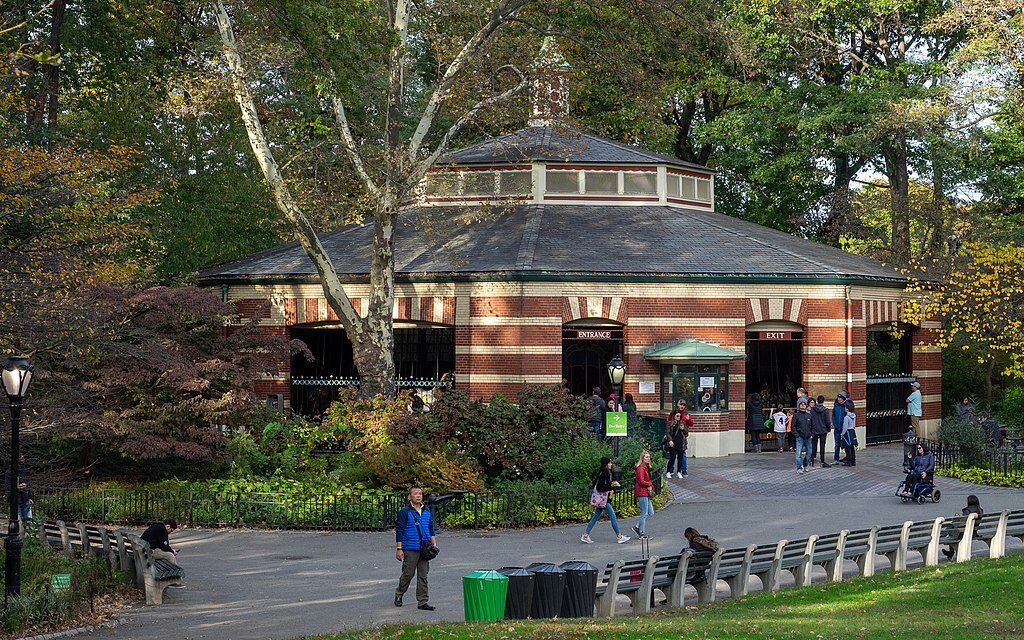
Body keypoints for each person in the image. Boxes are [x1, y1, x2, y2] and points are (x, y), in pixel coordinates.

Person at [394, 486, 438, 610]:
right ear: (410, 497)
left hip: (425, 547)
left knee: (423, 575)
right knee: (408, 573)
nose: (418, 496)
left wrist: (433, 541)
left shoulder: (426, 511)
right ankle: (399, 593)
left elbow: (430, 527)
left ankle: (423, 601)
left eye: (420, 493)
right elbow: (400, 530)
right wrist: (399, 548)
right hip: (410, 547)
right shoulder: (405, 512)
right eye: (415, 494)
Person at [580, 457, 630, 544]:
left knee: (595, 517)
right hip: (604, 500)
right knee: (613, 516)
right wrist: (612, 486)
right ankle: (619, 536)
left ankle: (585, 535)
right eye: (609, 463)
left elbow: (598, 484)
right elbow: (600, 487)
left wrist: (611, 486)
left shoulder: (603, 472)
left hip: (601, 499)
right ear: (606, 464)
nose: (611, 464)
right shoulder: (604, 473)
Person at [943, 495, 983, 560]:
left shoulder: (967, 511)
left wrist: (957, 519)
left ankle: (943, 537)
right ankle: (950, 553)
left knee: (953, 526)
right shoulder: (980, 510)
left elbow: (962, 524)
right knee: (953, 527)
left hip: (965, 533)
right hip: (973, 533)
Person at [664, 406, 692, 478]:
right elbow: (667, 432)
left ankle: (679, 471)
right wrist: (670, 440)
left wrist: (683, 429)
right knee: (672, 458)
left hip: (681, 443)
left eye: (679, 416)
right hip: (673, 443)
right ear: (674, 416)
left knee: (680, 458)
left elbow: (686, 432)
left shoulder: (682, 423)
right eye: (677, 416)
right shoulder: (670, 423)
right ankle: (668, 471)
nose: (678, 417)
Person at [632, 451, 654, 539]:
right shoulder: (641, 468)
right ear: (642, 458)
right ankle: (642, 532)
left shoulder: (645, 467)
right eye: (646, 457)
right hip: (642, 492)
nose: (648, 459)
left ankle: (637, 527)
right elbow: (641, 481)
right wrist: (649, 485)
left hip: (645, 492)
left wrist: (650, 485)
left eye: (649, 457)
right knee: (644, 513)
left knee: (650, 512)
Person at [4, 454, 32, 522]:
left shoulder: (25, 471)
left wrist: (30, 497)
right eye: (21, 459)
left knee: (26, 520)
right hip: (15, 498)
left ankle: (25, 531)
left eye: (23, 459)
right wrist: (16, 487)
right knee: (18, 519)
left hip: (25, 497)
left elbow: (29, 483)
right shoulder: (10, 472)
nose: (22, 461)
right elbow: (7, 486)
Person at [809, 396, 831, 468]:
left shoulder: (812, 410)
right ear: (823, 401)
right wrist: (828, 429)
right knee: (822, 446)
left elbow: (811, 420)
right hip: (823, 430)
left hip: (814, 430)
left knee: (813, 445)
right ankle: (822, 461)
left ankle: (812, 460)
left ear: (817, 401)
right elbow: (827, 421)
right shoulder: (825, 410)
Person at [793, 400, 814, 473]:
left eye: (804, 404)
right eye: (801, 404)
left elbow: (813, 426)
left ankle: (805, 465)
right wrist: (797, 435)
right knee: (798, 453)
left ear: (806, 406)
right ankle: (799, 468)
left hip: (808, 437)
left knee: (809, 453)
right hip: (800, 437)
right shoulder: (796, 415)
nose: (802, 405)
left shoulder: (809, 415)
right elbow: (793, 426)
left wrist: (812, 434)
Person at [832, 391, 849, 464]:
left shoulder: (847, 406)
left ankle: (848, 458)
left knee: (846, 444)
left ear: (843, 399)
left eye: (840, 398)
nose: (838, 399)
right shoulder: (836, 405)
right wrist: (835, 423)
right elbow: (833, 415)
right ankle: (836, 459)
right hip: (837, 428)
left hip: (844, 429)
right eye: (838, 398)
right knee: (837, 444)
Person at [839, 400, 858, 466]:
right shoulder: (853, 416)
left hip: (847, 432)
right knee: (852, 446)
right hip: (852, 431)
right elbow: (854, 425)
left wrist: (842, 434)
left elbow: (845, 427)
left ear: (847, 409)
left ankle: (849, 461)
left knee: (847, 447)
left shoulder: (846, 417)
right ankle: (853, 461)